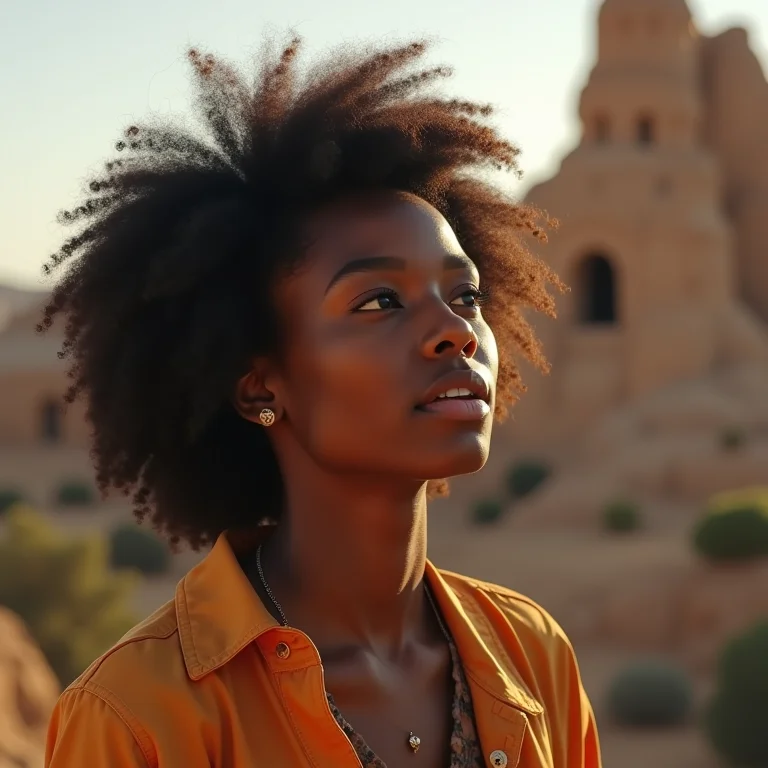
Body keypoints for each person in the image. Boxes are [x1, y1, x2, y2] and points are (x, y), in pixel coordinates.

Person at [41, 37, 601, 768]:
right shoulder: (137, 718)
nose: (457, 331)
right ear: (260, 385)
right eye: (380, 301)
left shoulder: (534, 656)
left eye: (465, 295)